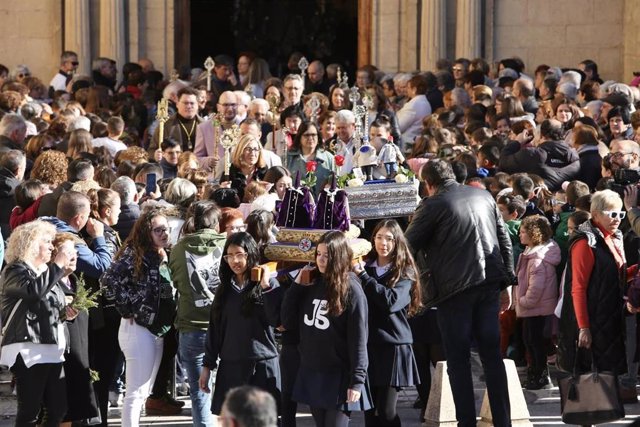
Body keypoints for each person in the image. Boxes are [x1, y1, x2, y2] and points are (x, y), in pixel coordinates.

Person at [404, 159, 514, 427]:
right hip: (488, 283)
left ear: (428, 184)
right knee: (491, 356)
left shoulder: (433, 204)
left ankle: (466, 422)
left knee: (458, 359)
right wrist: (508, 282)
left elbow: (406, 244)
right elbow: (505, 240)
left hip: (455, 291)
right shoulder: (483, 195)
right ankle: (503, 421)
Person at [282, 231, 372, 427]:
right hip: (313, 370)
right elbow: (287, 320)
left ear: (339, 256)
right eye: (319, 254)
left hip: (339, 375)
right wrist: (296, 286)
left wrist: (357, 380)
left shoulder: (352, 290)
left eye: (327, 255)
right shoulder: (311, 283)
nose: (321, 260)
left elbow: (358, 337)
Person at [100, 208, 177, 426]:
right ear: (146, 231)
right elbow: (108, 281)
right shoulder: (134, 252)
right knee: (135, 392)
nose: (165, 234)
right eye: (159, 230)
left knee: (144, 391)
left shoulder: (163, 253)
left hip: (157, 329)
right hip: (137, 329)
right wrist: (129, 307)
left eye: (167, 229)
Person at [0, 220, 77, 427]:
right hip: (28, 347)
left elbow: (48, 302)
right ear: (31, 243)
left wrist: (66, 312)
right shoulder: (14, 270)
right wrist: (58, 265)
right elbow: (32, 292)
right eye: (47, 241)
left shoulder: (45, 271)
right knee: (30, 411)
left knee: (58, 408)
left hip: (51, 346)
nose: (53, 247)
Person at [198, 232, 281, 415]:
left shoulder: (266, 285)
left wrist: (266, 286)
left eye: (240, 255)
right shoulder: (224, 290)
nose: (235, 261)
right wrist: (207, 366)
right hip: (231, 366)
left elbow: (278, 321)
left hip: (262, 365)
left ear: (250, 254)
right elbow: (215, 330)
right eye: (230, 256)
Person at [356, 220, 422, 426]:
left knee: (385, 411)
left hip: (393, 346)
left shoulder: (404, 272)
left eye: (389, 238)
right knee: (369, 411)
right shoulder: (365, 266)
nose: (383, 243)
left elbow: (391, 302)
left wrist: (364, 276)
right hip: (367, 345)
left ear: (397, 242)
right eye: (379, 237)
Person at [558, 190, 628, 377]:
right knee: (594, 380)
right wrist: (584, 327)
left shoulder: (614, 237)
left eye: (621, 214)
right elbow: (578, 288)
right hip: (593, 320)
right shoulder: (585, 242)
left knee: (608, 379)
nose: (617, 219)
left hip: (610, 318)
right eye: (612, 214)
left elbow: (614, 276)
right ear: (596, 214)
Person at [170, 200, 226, 427]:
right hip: (224, 327)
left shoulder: (178, 249)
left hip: (191, 326)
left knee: (198, 391)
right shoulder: (227, 245)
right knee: (227, 391)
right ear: (215, 222)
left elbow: (175, 280)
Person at [514, 215, 561, 390]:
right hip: (533, 308)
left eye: (523, 232)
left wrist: (523, 301)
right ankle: (535, 373)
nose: (520, 235)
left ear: (534, 234)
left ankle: (541, 376)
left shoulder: (537, 259)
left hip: (537, 308)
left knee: (536, 343)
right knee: (530, 341)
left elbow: (536, 288)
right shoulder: (531, 253)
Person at [286, 121, 336, 195]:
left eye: (313, 135)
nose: (310, 138)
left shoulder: (329, 158)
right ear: (300, 137)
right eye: (306, 135)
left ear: (318, 137)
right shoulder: (289, 157)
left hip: (322, 203)